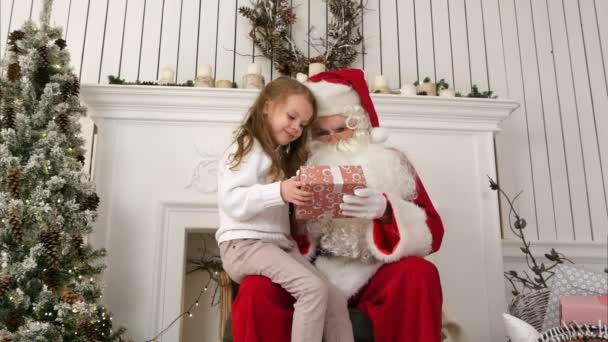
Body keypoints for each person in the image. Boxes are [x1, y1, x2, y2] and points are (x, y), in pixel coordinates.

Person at [231, 69, 445, 342]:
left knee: (419, 274)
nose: (332, 139)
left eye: (342, 129)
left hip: (376, 274)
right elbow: (259, 221)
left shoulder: (392, 163)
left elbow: (434, 233)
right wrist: (296, 218)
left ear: (360, 126)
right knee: (256, 289)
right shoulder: (292, 166)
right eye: (321, 132)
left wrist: (386, 211)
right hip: (309, 272)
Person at [216, 76, 354, 342]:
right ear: (267, 106)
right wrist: (279, 191)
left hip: (277, 245)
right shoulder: (246, 147)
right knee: (312, 289)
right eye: (291, 117)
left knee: (334, 298)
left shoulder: (276, 155)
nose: (295, 128)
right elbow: (232, 201)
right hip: (244, 245)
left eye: (302, 124)